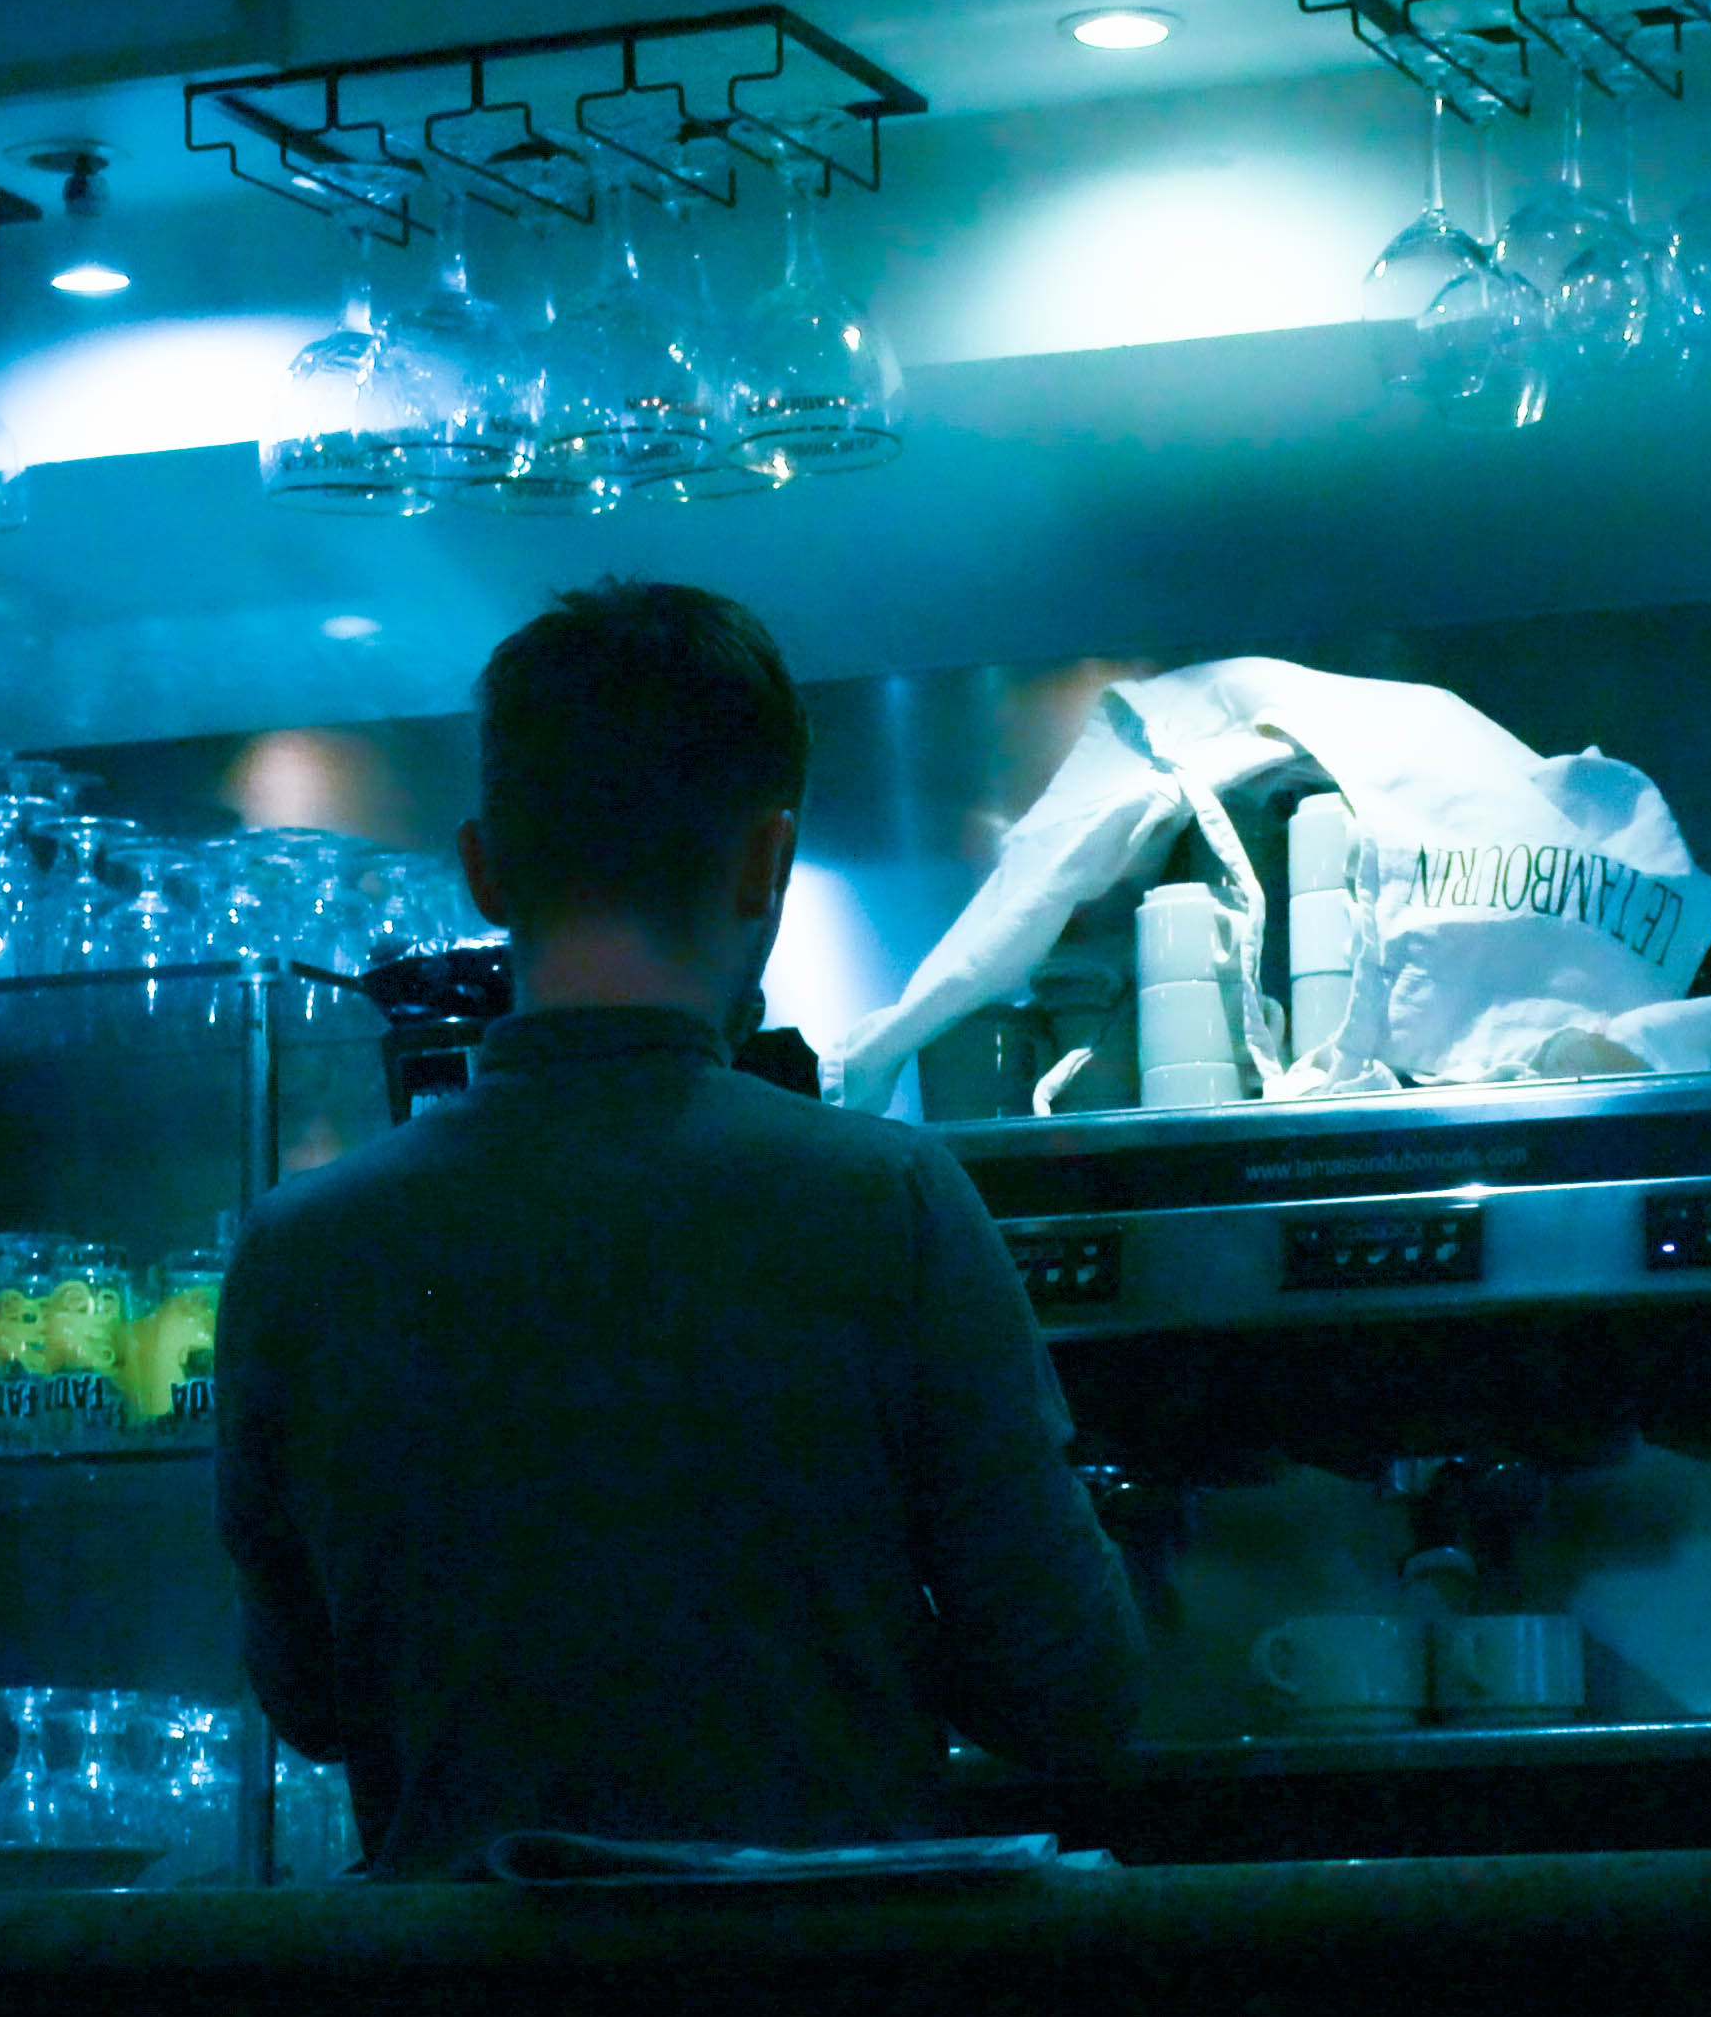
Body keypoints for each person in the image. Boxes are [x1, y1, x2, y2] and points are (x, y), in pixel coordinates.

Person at [218, 581, 1144, 1871]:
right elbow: (1069, 1694)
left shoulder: (296, 1251)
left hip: (446, 1993)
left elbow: (313, 1702)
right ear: (767, 860)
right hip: (815, 1988)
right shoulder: (893, 1203)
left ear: (485, 870)